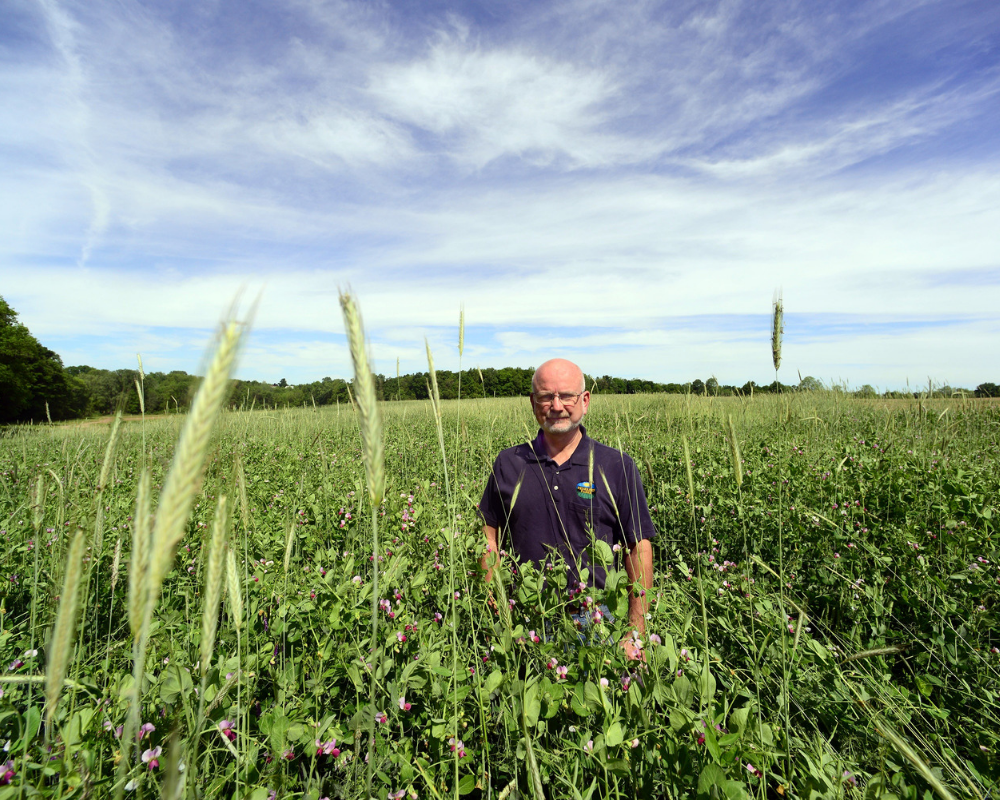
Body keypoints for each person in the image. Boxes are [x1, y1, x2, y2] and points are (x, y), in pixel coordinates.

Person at [478, 358, 655, 659]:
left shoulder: (616, 466)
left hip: (599, 620)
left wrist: (634, 631)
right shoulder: (508, 463)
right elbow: (487, 535)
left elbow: (638, 548)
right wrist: (495, 602)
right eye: (546, 396)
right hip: (526, 620)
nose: (556, 405)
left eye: (567, 396)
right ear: (533, 402)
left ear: (585, 401)